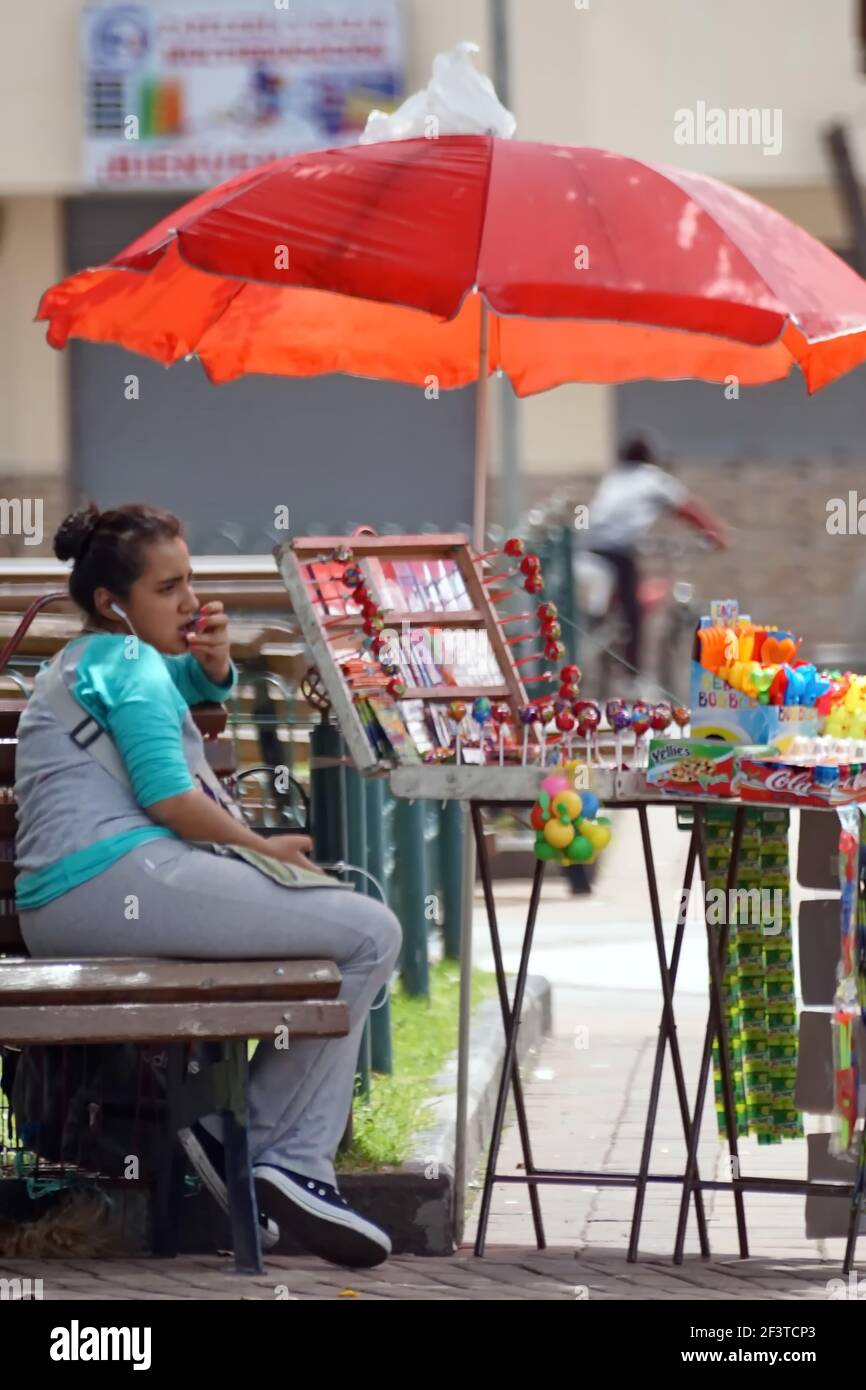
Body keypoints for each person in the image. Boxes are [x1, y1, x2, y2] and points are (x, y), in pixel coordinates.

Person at [14, 502, 402, 1269]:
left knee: (352, 931)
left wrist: (212, 671)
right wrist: (266, 851)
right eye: (169, 588)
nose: (193, 602)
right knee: (370, 932)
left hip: (80, 900)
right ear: (110, 603)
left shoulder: (96, 659)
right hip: (116, 884)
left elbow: (161, 700)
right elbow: (170, 799)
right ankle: (277, 1153)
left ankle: (251, 1144)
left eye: (192, 580)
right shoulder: (127, 666)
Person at [585, 436, 729, 678]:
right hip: (615, 549)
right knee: (633, 613)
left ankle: (609, 649)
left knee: (613, 604)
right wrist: (716, 535)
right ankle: (633, 676)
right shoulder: (651, 478)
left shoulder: (615, 478)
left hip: (590, 546)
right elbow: (686, 508)